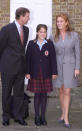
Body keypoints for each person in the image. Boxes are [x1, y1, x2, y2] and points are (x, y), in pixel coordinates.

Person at [0, 7, 30, 126]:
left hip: (20, 68)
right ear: (21, 16)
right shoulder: (6, 29)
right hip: (7, 68)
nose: (29, 18)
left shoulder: (26, 30)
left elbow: (22, 49)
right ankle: (6, 116)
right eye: (27, 16)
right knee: (6, 93)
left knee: (19, 93)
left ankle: (18, 116)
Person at [51, 13, 80, 128]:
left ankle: (66, 117)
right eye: (57, 21)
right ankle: (62, 114)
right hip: (57, 67)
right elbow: (51, 53)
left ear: (67, 22)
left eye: (61, 21)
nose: (59, 23)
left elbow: (77, 53)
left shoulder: (74, 35)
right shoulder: (53, 37)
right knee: (61, 90)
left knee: (67, 91)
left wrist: (77, 67)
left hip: (70, 66)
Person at [25, 24, 57, 126]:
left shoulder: (49, 44)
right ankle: (37, 117)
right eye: (41, 32)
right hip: (34, 73)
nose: (43, 34)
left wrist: (54, 72)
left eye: (44, 32)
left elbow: (53, 59)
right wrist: (27, 72)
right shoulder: (31, 44)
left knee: (44, 96)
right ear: (37, 32)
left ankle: (43, 117)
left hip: (46, 73)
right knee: (37, 95)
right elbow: (27, 59)